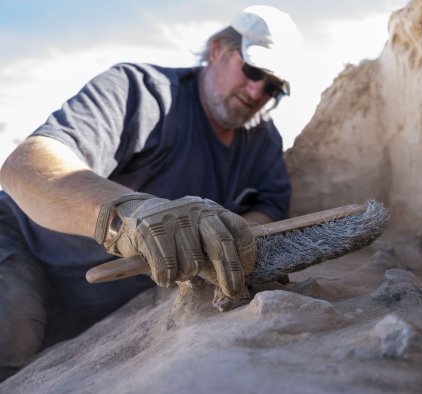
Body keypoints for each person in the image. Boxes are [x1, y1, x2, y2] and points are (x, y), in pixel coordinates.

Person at [0, 5, 302, 382]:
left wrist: (233, 235)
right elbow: (24, 165)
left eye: (273, 87)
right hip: (22, 250)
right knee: (11, 338)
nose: (258, 91)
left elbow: (271, 204)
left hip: (100, 303)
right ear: (217, 51)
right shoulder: (140, 92)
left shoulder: (262, 140)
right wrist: (132, 214)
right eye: (254, 70)